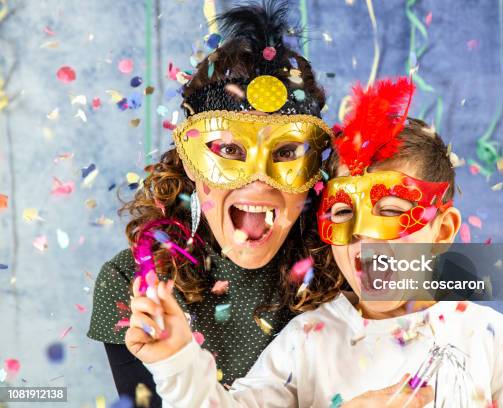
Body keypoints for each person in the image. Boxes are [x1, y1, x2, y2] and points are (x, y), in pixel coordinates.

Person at [124, 77, 503, 407]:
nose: (363, 233)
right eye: (344, 212)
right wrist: (179, 360)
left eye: (389, 211)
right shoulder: (308, 340)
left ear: (441, 231)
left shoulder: (489, 339)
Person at [87, 2, 341, 406]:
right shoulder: (134, 282)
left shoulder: (350, 264)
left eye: (288, 151)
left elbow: (459, 282)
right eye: (227, 149)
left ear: (316, 169)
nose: (259, 179)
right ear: (190, 160)